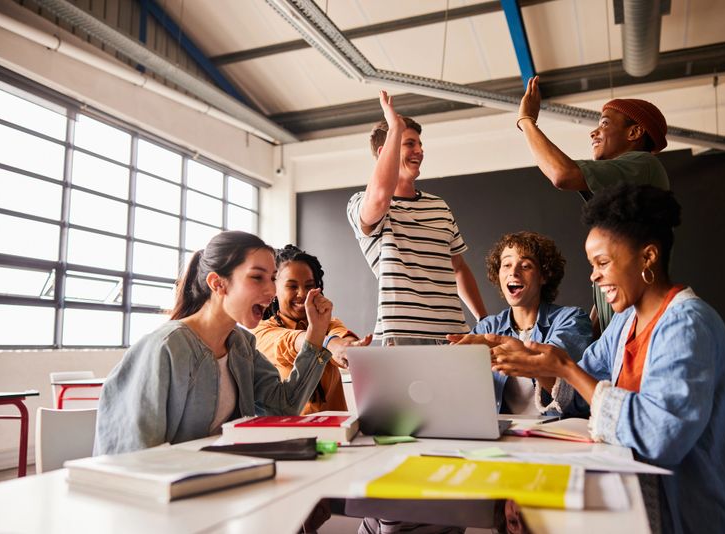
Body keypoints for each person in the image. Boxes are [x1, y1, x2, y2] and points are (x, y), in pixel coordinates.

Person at [451, 183, 725, 534]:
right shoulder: (625, 322)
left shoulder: (687, 324)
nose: (594, 275)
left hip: (700, 516)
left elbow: (661, 437)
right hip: (645, 506)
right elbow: (578, 394)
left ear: (648, 257)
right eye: (591, 264)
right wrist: (544, 367)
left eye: (603, 262)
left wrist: (564, 367)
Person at [94, 231, 333, 455]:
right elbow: (131, 455)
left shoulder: (242, 346)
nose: (271, 290)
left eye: (272, 278)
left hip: (221, 480)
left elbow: (283, 408)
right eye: (257, 277)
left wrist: (316, 332)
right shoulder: (166, 347)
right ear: (217, 283)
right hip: (166, 490)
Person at [516, 75, 670, 335]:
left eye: (605, 124)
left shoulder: (644, 163)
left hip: (638, 329)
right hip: (620, 330)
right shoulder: (618, 185)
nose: (594, 132)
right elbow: (605, 297)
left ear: (634, 133)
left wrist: (526, 121)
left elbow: (562, 174)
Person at [347, 90, 487, 345]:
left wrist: (484, 319)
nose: (419, 150)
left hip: (455, 335)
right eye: (409, 143)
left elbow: (458, 268)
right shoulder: (360, 202)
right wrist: (394, 128)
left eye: (420, 144)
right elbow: (379, 198)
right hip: (402, 335)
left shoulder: (439, 206)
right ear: (384, 151)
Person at [467, 231, 592, 414]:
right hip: (505, 434)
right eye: (506, 265)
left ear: (544, 276)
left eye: (525, 266)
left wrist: (507, 351)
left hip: (556, 429)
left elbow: (553, 371)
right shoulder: (488, 327)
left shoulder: (571, 319)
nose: (513, 272)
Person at [252, 245, 371, 414]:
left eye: (309, 286)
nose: (302, 294)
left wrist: (349, 348)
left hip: (335, 434)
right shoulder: (262, 332)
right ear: (274, 289)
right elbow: (293, 341)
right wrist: (329, 343)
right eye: (292, 286)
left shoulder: (328, 323)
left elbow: (343, 340)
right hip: (291, 434)